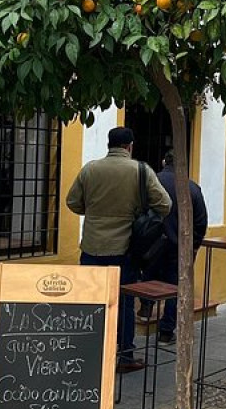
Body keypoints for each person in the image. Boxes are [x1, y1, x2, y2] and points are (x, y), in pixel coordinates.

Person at [66, 127, 172, 373]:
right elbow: (165, 205)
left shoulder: (90, 169)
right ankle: (124, 356)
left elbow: (72, 202)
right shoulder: (141, 171)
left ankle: (88, 353)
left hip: (92, 246)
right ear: (130, 146)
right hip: (124, 249)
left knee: (91, 301)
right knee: (124, 302)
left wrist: (94, 213)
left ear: (109, 145)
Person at [140, 151, 208, 344]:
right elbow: (201, 222)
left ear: (163, 162)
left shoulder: (150, 183)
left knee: (148, 278)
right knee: (175, 289)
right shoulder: (192, 188)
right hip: (179, 247)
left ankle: (145, 307)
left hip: (151, 244)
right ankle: (166, 331)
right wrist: (193, 247)